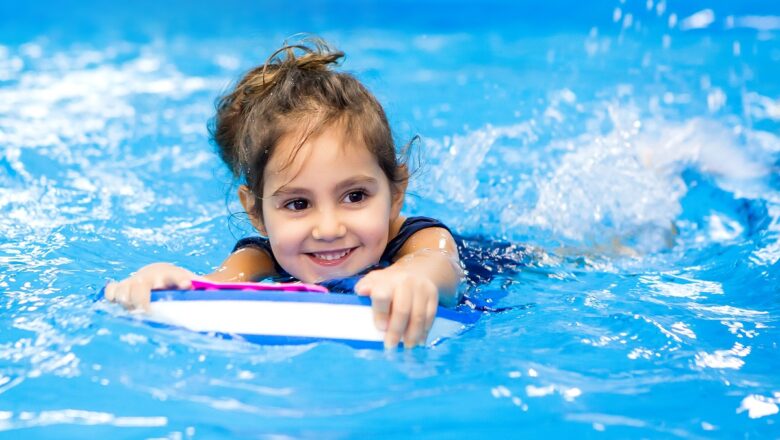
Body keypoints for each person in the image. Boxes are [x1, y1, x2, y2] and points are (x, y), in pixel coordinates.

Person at [104, 37, 463, 349]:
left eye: (354, 196)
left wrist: (411, 278)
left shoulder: (419, 239)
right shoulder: (263, 257)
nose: (328, 228)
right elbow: (216, 284)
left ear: (395, 192)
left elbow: (440, 264)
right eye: (298, 203)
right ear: (257, 212)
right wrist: (163, 282)